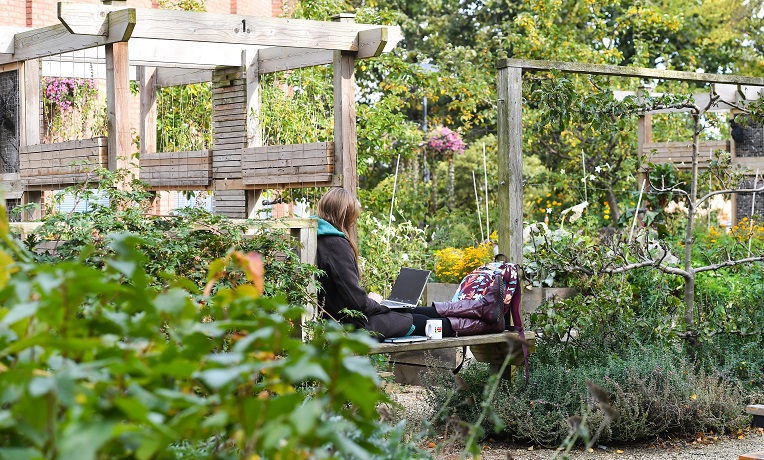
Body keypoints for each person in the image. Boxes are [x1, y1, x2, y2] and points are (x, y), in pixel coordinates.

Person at [315, 188, 507, 340]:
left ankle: (482, 308)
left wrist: (379, 304)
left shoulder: (319, 238)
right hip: (353, 326)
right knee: (422, 321)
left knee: (409, 309)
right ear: (345, 215)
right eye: (353, 218)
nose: (353, 223)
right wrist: (378, 303)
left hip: (345, 320)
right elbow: (356, 302)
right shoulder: (335, 244)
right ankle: (488, 323)